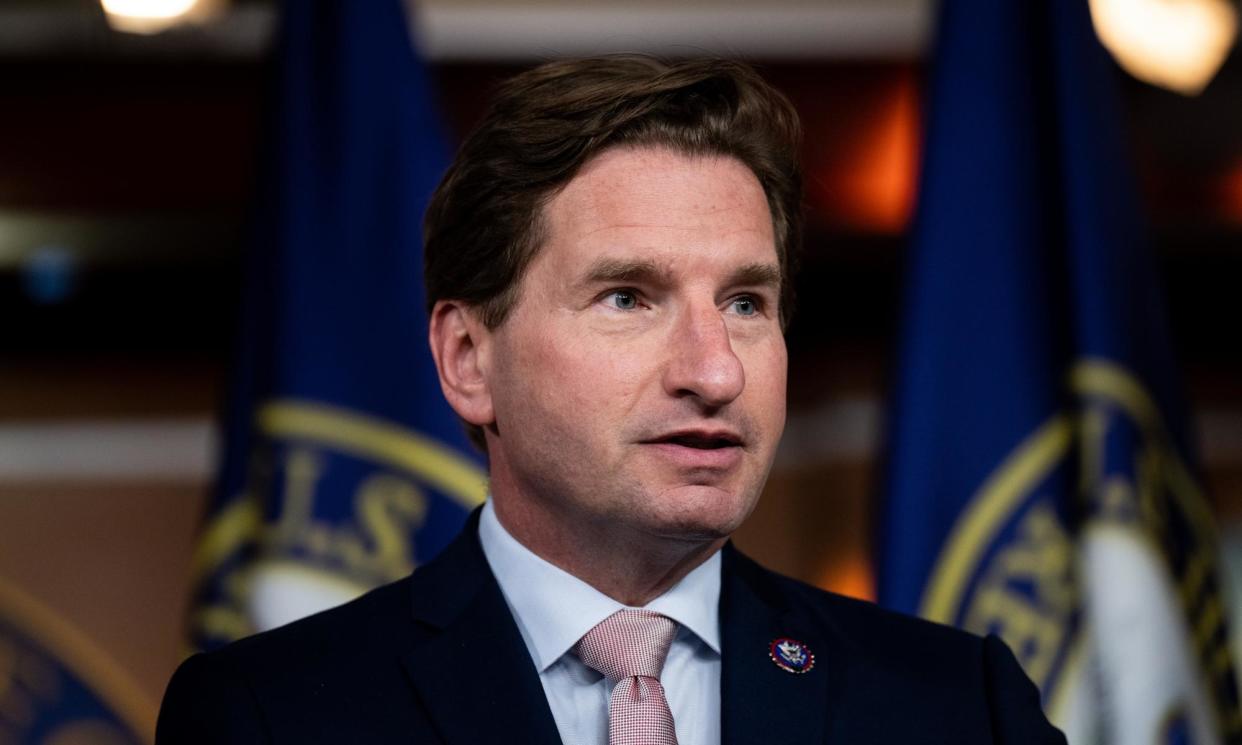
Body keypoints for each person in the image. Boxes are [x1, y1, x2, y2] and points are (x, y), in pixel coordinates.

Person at [156, 56, 1065, 745]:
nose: (714, 373)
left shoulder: (958, 704)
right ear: (468, 359)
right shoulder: (271, 715)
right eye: (628, 297)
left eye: (746, 303)